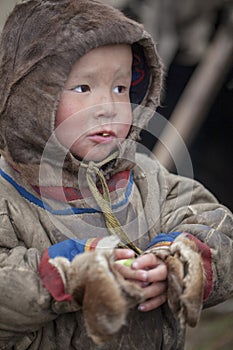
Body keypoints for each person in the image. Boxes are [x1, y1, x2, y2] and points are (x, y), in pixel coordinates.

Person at [0, 0, 232, 349]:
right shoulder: (8, 197)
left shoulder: (146, 178)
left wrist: (179, 260)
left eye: (121, 88)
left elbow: (216, 225)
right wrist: (75, 273)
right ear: (31, 97)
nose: (108, 106)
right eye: (83, 88)